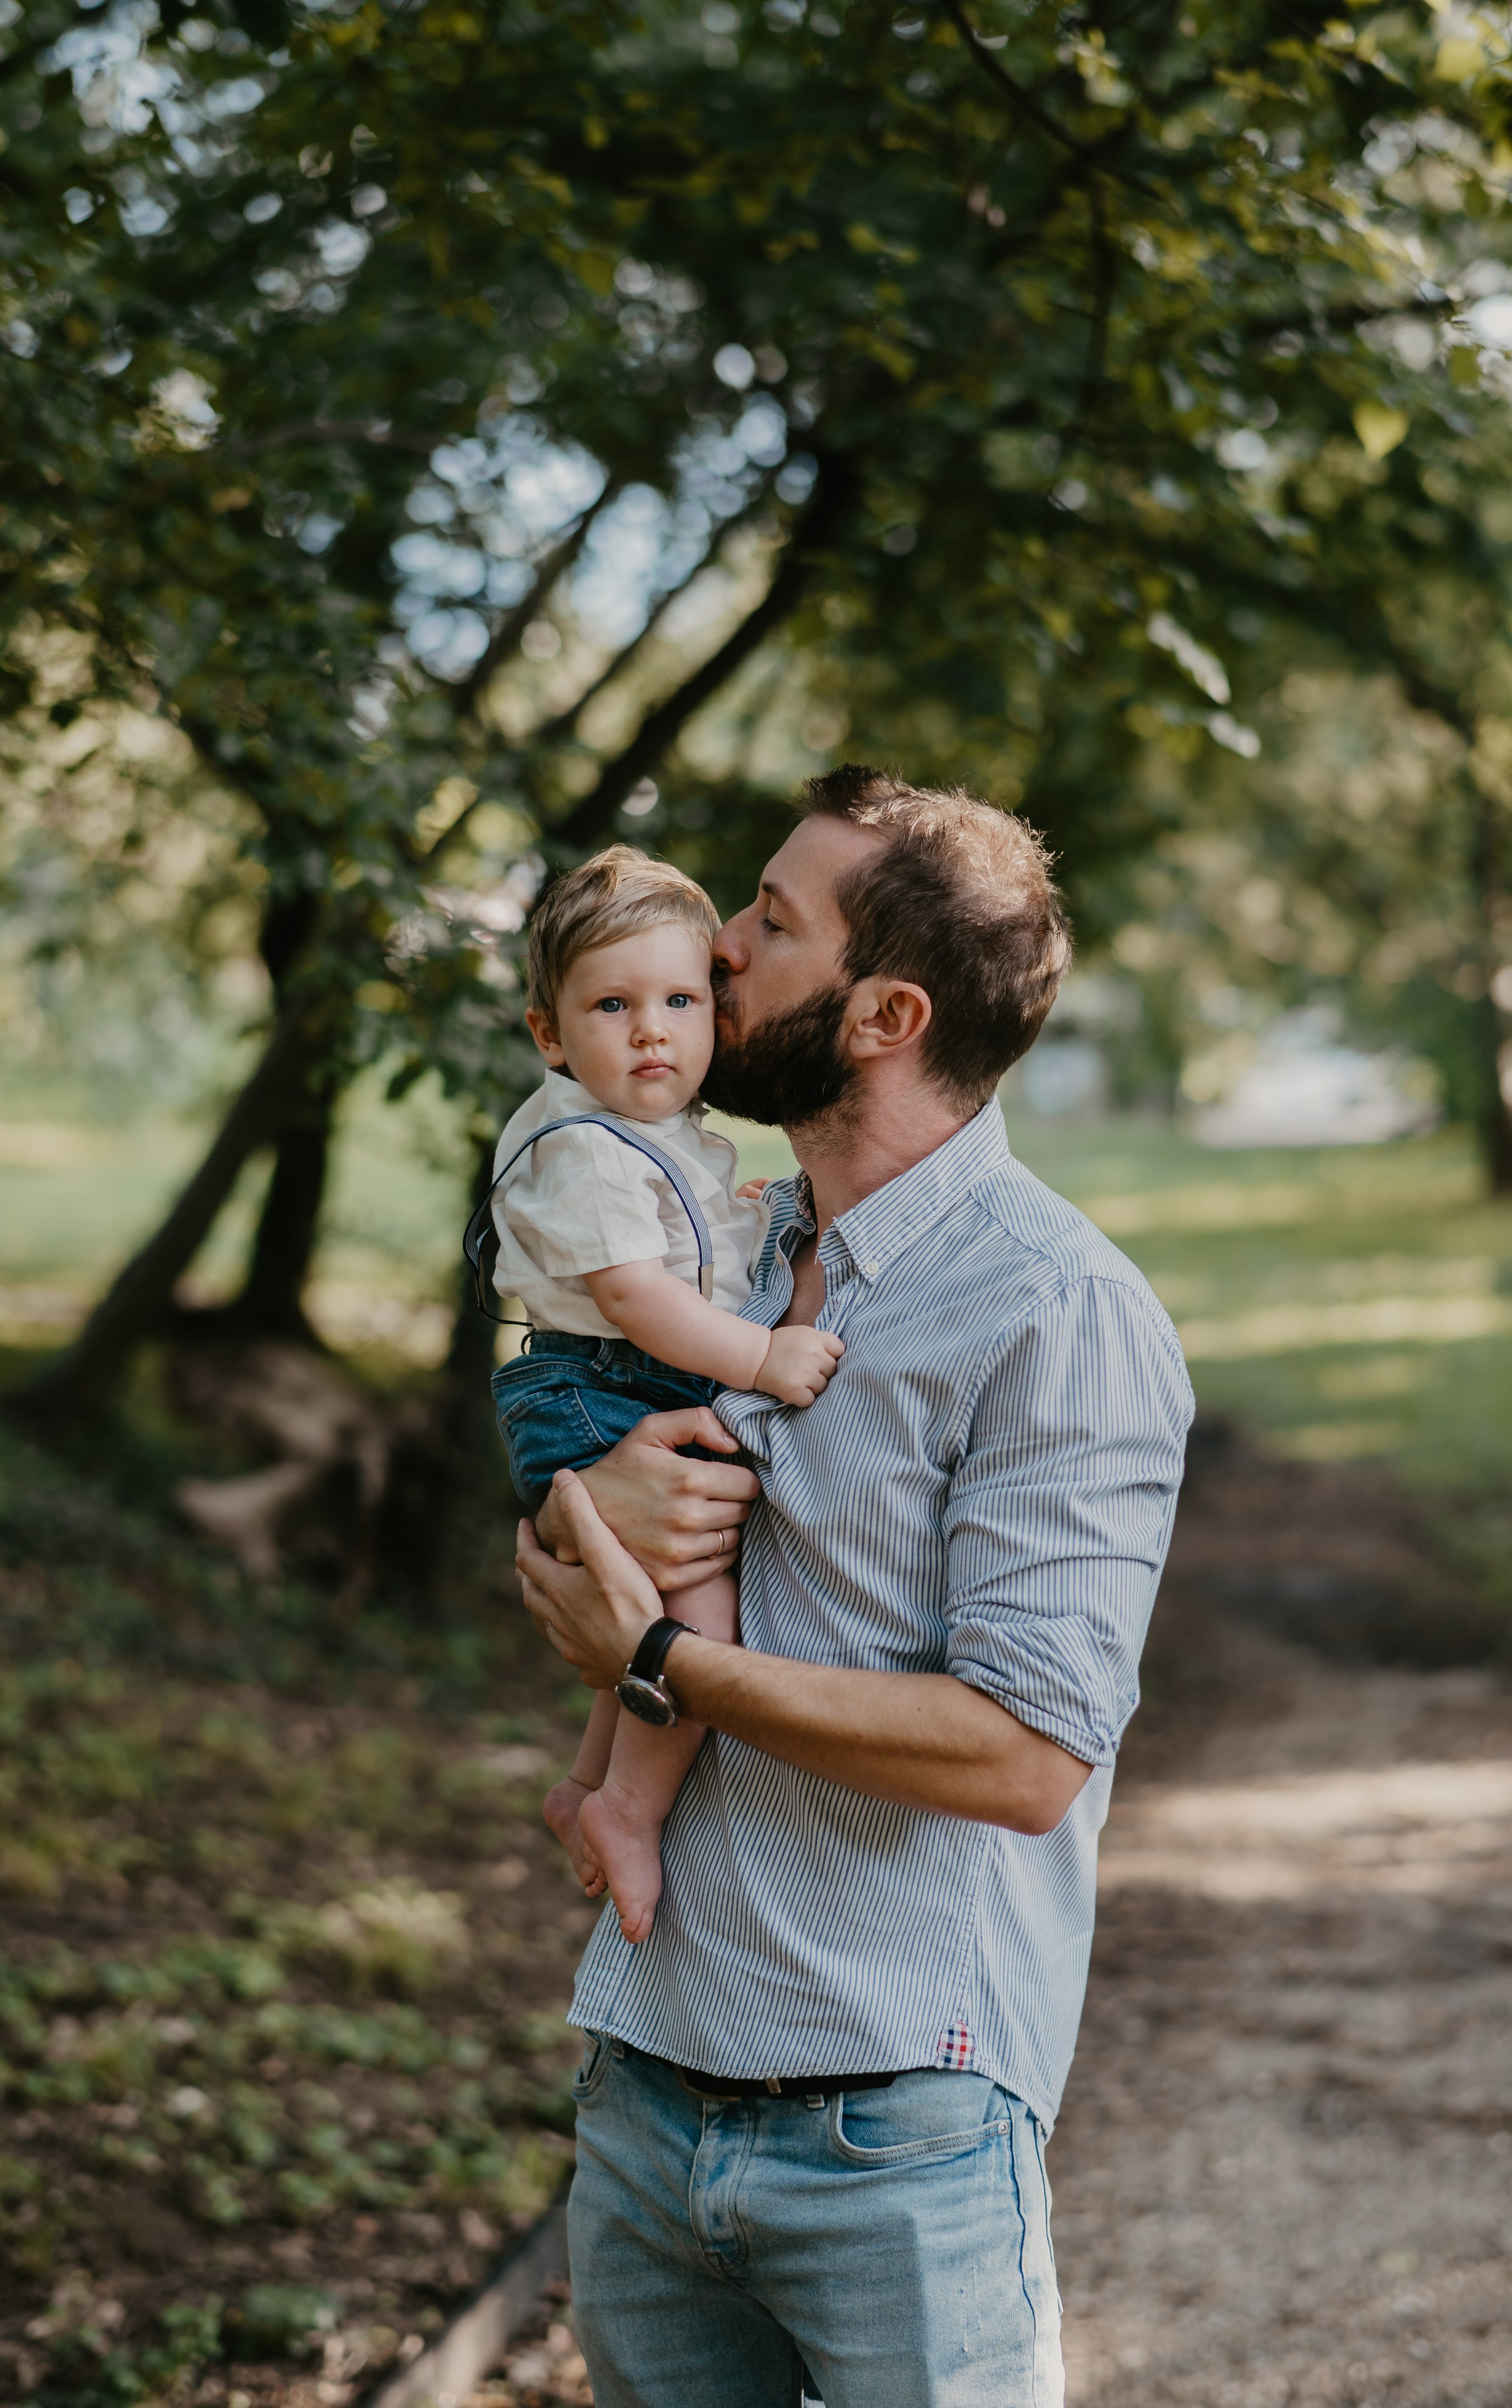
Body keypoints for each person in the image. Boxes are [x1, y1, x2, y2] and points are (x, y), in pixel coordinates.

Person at [516, 768, 1195, 2408]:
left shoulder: (1058, 1314)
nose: (718, 950)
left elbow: (1028, 1757)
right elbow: (584, 1546)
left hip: (898, 2137)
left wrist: (671, 1661)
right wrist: (564, 1527)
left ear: (885, 1013)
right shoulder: (716, 1249)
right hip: (646, 2083)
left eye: (768, 922)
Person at [488, 847, 841, 1943]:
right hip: (598, 1385)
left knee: (643, 1593)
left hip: (619, 1379)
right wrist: (760, 1357)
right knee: (695, 1605)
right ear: (552, 1034)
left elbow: (680, 1252)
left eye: (681, 999)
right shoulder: (585, 1148)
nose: (653, 1030)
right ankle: (634, 1813)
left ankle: (592, 1785)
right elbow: (641, 1301)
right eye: (613, 1004)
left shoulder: (650, 1135)